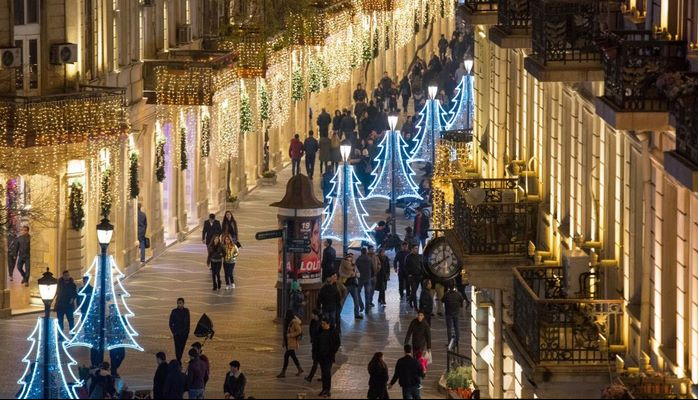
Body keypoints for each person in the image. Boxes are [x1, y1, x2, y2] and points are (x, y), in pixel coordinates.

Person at [317, 318, 341, 398]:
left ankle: (327, 390)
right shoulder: (320, 331)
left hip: (328, 357)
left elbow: (337, 343)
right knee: (323, 374)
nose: (322, 325)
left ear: (328, 324)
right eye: (322, 323)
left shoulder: (333, 332)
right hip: (321, 356)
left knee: (327, 373)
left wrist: (332, 352)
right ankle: (324, 389)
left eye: (324, 324)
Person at [278, 310, 304, 378]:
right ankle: (299, 368)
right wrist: (284, 341)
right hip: (288, 342)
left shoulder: (294, 322)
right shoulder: (287, 322)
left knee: (286, 356)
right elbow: (285, 332)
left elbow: (299, 331)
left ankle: (283, 372)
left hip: (291, 342)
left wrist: (291, 335)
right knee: (293, 356)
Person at [339, 253, 363, 319]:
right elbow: (341, 273)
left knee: (356, 300)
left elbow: (358, 273)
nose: (351, 258)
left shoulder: (354, 265)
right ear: (346, 257)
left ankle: (357, 314)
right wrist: (350, 275)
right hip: (345, 285)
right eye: (349, 257)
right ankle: (338, 314)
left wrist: (355, 274)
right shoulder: (343, 264)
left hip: (353, 284)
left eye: (352, 257)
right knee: (343, 300)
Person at [443, 282, 465, 346]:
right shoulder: (458, 294)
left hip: (448, 313)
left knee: (449, 328)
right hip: (456, 312)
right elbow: (462, 301)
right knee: (456, 327)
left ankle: (450, 342)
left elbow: (442, 300)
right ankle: (457, 341)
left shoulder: (446, 294)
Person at [169, 298, 190, 363]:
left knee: (182, 347)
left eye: (180, 303)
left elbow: (188, 322)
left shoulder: (186, 311)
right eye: (178, 303)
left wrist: (187, 332)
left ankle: (179, 358)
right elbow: (170, 323)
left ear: (183, 303)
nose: (179, 304)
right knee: (177, 347)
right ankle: (178, 359)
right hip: (177, 333)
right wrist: (174, 332)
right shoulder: (174, 311)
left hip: (184, 333)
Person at [304, 309, 322, 383]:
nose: (311, 315)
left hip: (319, 346)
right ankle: (322, 376)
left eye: (312, 314)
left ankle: (310, 377)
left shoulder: (320, 323)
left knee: (316, 362)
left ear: (315, 315)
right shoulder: (313, 322)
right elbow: (311, 332)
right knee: (319, 362)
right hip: (315, 344)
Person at [405, 245, 424, 310]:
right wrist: (409, 274)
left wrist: (422, 273)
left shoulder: (419, 256)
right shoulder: (408, 257)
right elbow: (406, 267)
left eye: (417, 248)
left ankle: (410, 300)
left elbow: (422, 265)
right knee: (414, 290)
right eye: (415, 248)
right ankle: (416, 306)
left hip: (418, 276)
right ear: (412, 249)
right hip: (412, 276)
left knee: (414, 290)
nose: (417, 250)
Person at [356, 247, 374, 312]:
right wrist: (372, 276)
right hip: (368, 278)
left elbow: (356, 268)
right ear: (366, 252)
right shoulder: (369, 259)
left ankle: (361, 305)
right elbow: (372, 268)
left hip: (360, 278)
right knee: (367, 293)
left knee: (357, 292)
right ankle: (367, 308)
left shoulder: (358, 259)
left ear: (361, 252)